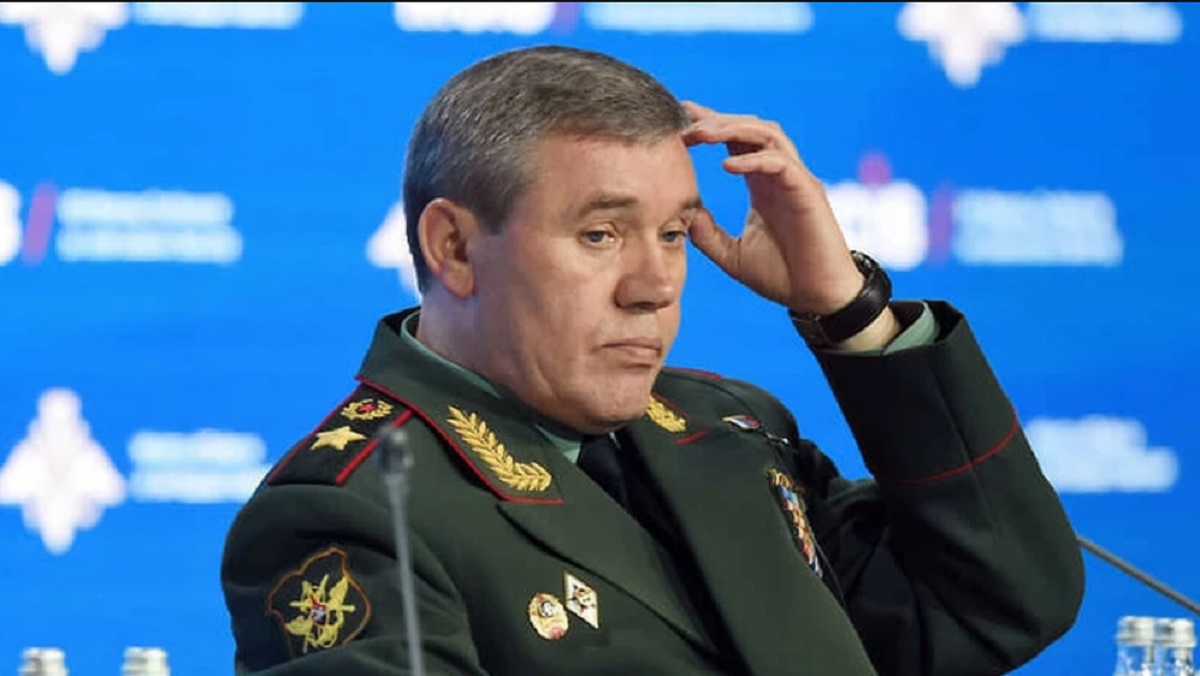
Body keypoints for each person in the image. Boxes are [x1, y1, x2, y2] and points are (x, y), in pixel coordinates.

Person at [220, 45, 1084, 675]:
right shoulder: (352, 513)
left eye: (673, 234)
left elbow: (999, 601)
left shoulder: (730, 428)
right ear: (455, 248)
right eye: (600, 234)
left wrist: (848, 312)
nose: (655, 286)